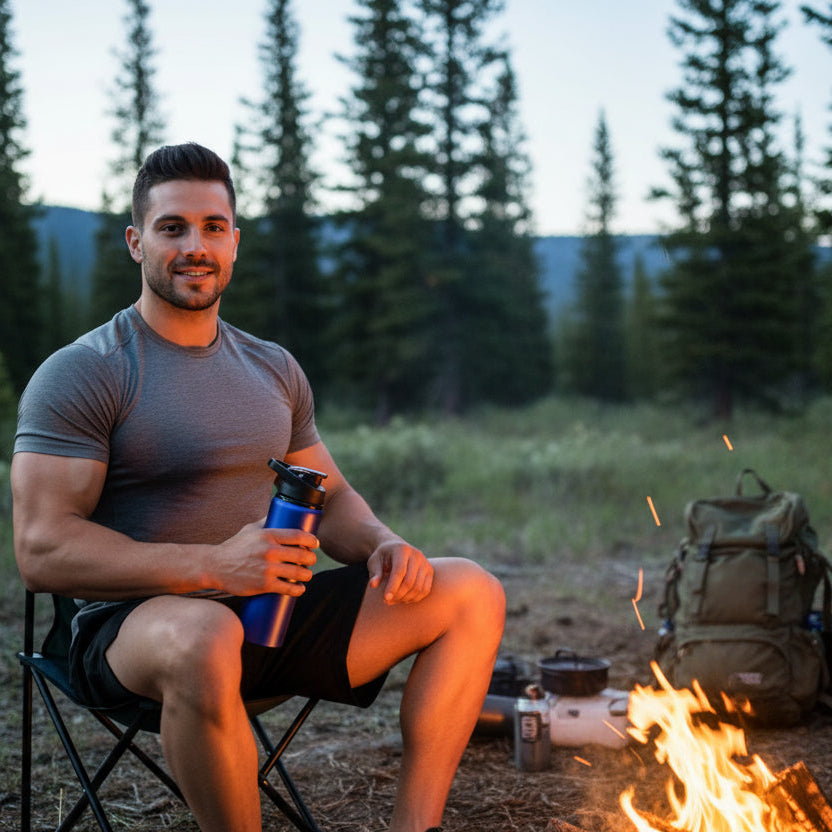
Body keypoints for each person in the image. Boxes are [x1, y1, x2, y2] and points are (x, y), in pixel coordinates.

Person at [11, 142, 506, 832]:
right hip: (133, 632)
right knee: (205, 633)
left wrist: (384, 542)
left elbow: (329, 496)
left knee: (470, 592)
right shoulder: (86, 372)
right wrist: (214, 565)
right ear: (136, 242)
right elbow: (42, 552)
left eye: (213, 227)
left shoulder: (271, 368)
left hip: (266, 621)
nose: (195, 246)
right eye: (172, 227)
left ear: (234, 242)